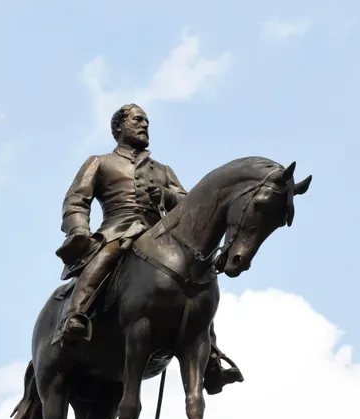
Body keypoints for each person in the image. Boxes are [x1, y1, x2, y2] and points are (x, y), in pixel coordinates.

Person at [54, 103, 243, 394]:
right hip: (119, 229)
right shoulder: (101, 162)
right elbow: (76, 201)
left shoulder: (162, 170)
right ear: (119, 127)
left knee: (198, 282)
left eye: (147, 122)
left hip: (161, 237)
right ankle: (75, 315)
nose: (144, 126)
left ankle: (212, 359)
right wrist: (79, 229)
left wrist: (166, 194)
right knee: (107, 255)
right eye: (138, 120)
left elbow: (191, 205)